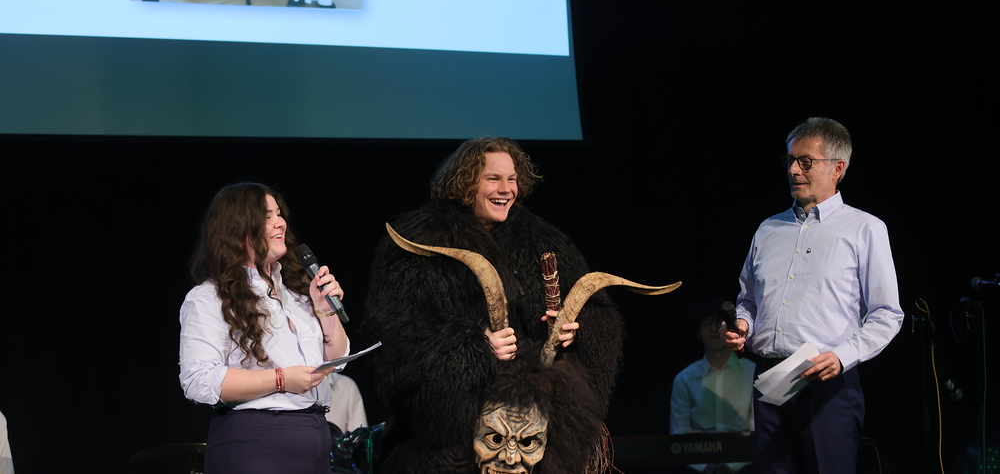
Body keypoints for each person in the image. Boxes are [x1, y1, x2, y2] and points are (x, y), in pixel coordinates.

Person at [362, 137, 624, 474]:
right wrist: (475, 346)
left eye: (512, 179)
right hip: (448, 441)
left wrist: (575, 330)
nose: (506, 189)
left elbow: (598, 314)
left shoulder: (542, 239)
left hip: (530, 436)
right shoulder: (422, 239)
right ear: (465, 182)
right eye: (493, 178)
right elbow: (396, 331)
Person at [721, 118, 903, 474]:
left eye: (805, 161)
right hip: (770, 380)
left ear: (838, 168)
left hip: (826, 383)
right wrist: (743, 325)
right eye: (790, 160)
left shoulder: (864, 228)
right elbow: (749, 301)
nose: (793, 170)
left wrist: (842, 357)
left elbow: (887, 314)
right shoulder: (768, 228)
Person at [179, 183, 349, 474]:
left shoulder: (296, 293)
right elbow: (198, 380)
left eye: (279, 214)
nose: (280, 222)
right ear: (239, 229)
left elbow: (337, 359)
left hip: (316, 436)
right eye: (267, 216)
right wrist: (281, 379)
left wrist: (324, 309)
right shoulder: (208, 298)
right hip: (256, 441)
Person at [671, 302, 756, 474]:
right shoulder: (684, 379)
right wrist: (705, 468)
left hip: (744, 461)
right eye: (707, 323)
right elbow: (679, 432)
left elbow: (757, 430)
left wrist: (730, 468)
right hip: (698, 462)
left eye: (719, 323)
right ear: (698, 333)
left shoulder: (751, 372)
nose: (713, 329)